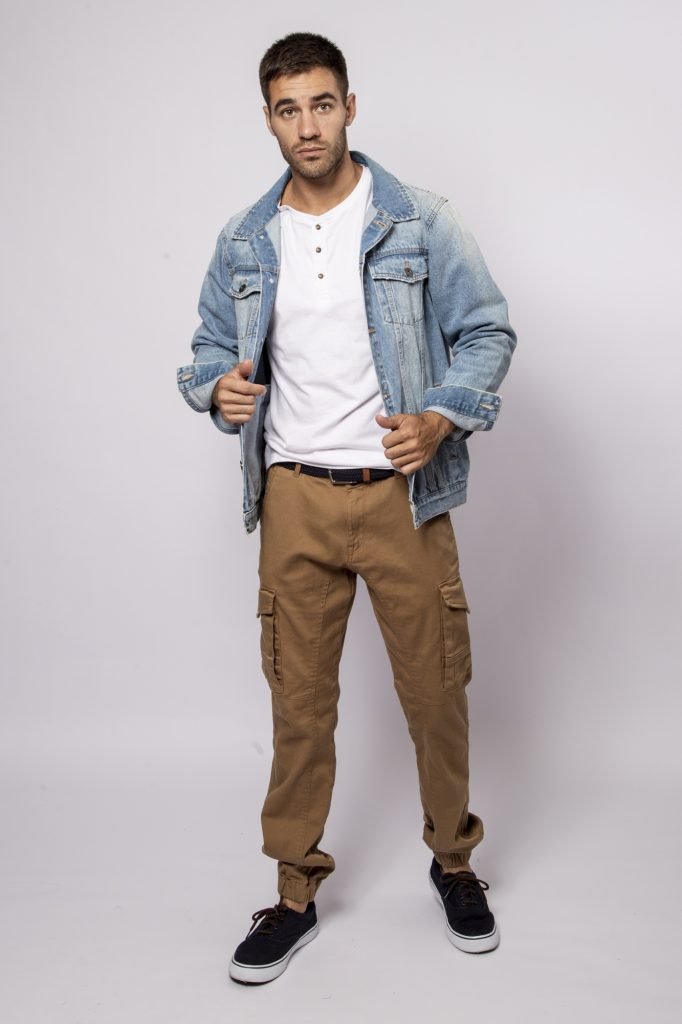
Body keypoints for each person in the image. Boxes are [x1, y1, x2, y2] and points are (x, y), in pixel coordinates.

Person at [177, 31, 517, 985]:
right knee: (298, 705)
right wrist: (215, 390)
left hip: (401, 497)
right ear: (269, 119)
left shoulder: (418, 220)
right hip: (294, 496)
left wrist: (442, 417)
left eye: (322, 104)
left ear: (350, 108)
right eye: (288, 109)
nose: (308, 126)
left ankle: (454, 862)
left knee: (436, 693)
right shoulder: (245, 240)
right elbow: (207, 349)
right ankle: (294, 892)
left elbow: (487, 331)